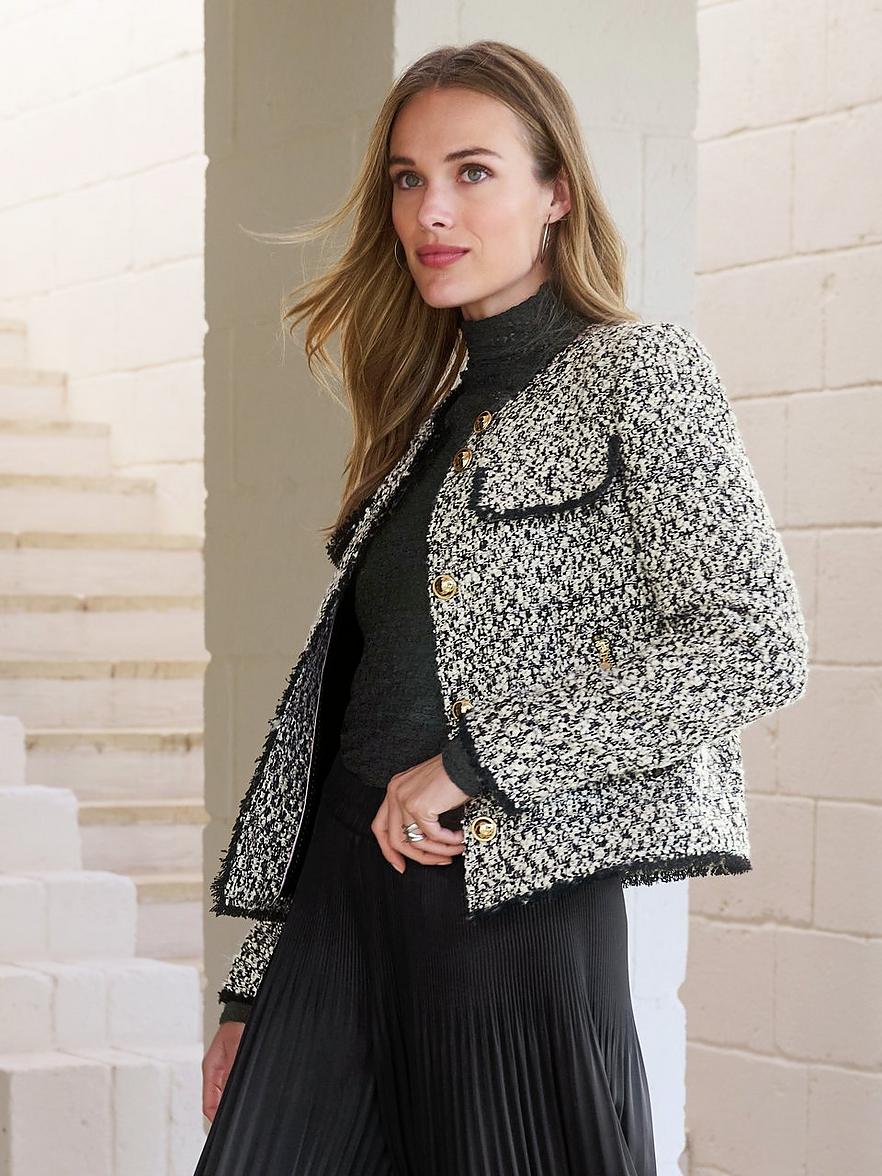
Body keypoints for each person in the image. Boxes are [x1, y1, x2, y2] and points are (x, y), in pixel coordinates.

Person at [194, 40, 808, 1176]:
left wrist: (479, 763)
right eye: (408, 178)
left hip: (510, 913)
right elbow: (350, 711)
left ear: (556, 192)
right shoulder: (426, 416)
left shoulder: (639, 372)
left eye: (472, 171)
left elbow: (753, 643)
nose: (432, 209)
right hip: (342, 910)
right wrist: (257, 984)